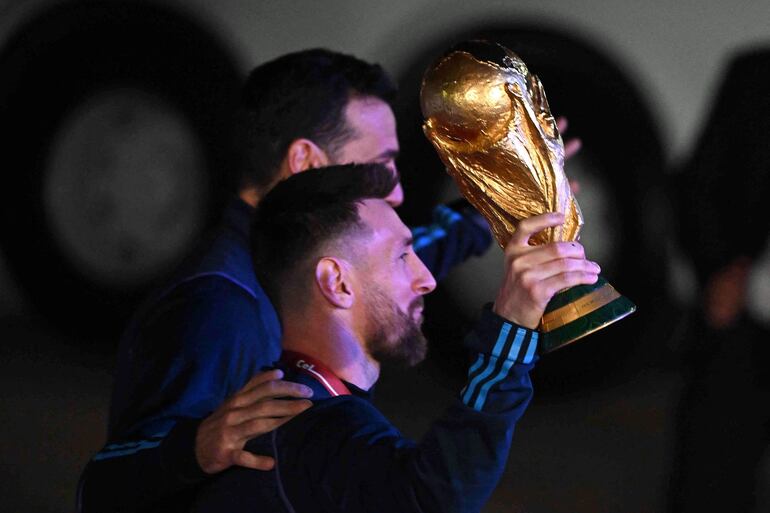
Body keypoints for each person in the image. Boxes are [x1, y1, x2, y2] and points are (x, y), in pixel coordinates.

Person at [79, 49, 492, 512]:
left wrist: (491, 210)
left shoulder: (290, 259)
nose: (395, 190)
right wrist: (193, 448)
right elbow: (104, 491)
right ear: (306, 161)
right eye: (380, 164)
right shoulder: (222, 309)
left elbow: (386, 270)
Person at [190, 163, 600, 512]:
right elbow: (432, 499)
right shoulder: (310, 424)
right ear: (337, 283)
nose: (426, 280)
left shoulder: (289, 401)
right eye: (403, 256)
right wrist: (508, 333)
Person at [667, 47, 770, 513]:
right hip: (751, 306)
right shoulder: (756, 76)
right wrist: (721, 270)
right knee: (712, 455)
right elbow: (698, 186)